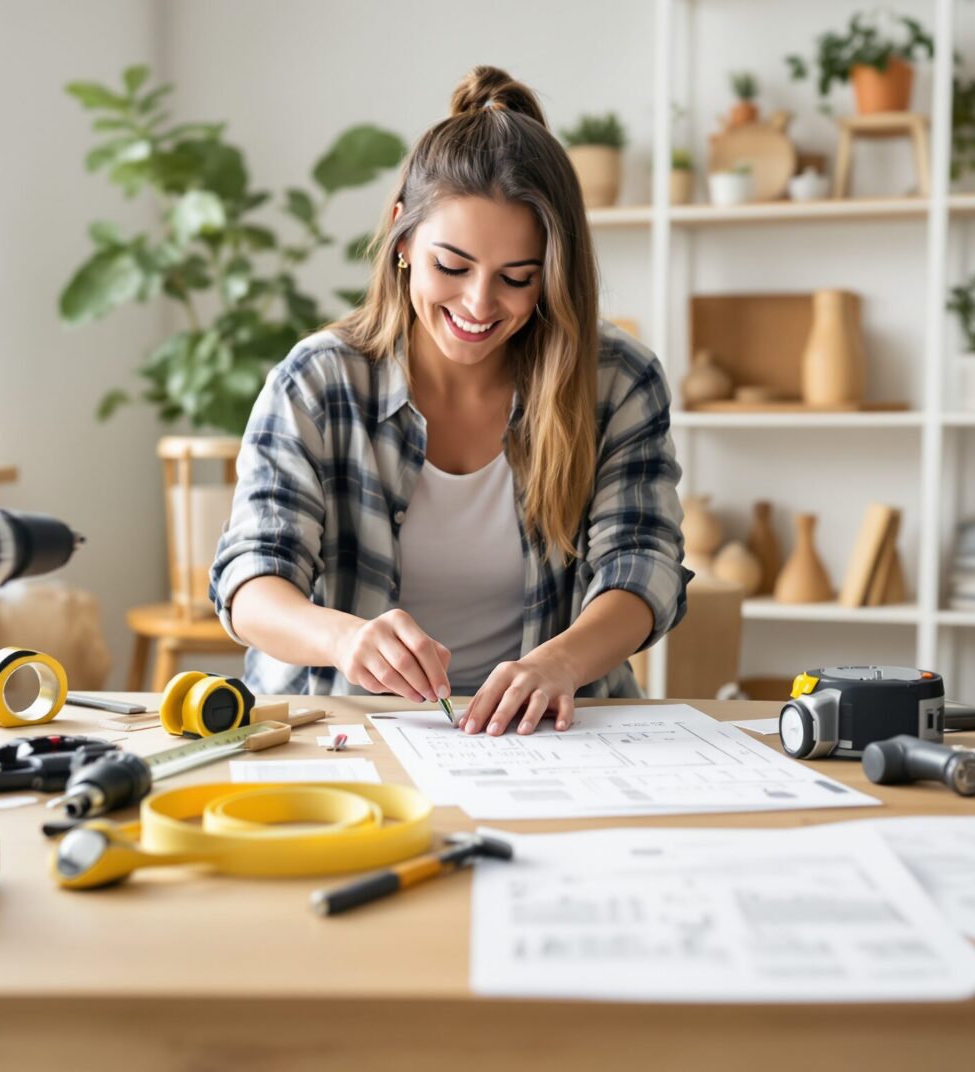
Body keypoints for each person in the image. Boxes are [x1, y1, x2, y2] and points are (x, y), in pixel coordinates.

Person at [209, 65, 688, 736]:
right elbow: (250, 583)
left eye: (517, 278)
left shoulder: (616, 381)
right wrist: (344, 639)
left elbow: (643, 568)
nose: (479, 305)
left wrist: (558, 664)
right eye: (452, 267)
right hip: (342, 728)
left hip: (556, 735)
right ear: (403, 238)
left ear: (553, 274)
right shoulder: (317, 383)